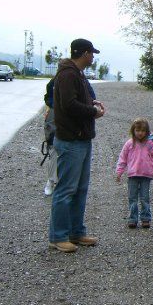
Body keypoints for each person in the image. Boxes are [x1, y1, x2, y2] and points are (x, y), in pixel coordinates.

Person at [48, 38, 106, 253]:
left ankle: (76, 232)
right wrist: (93, 112)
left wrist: (92, 103)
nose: (93, 57)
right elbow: (69, 105)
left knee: (80, 189)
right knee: (66, 190)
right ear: (84, 54)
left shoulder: (77, 74)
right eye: (91, 53)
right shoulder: (67, 74)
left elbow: (77, 100)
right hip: (71, 140)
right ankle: (58, 236)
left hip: (81, 139)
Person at [115, 118, 153, 229]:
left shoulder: (149, 144)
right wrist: (119, 171)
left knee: (144, 197)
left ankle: (145, 218)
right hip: (133, 174)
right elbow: (123, 158)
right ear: (133, 131)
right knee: (132, 197)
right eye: (137, 130)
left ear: (147, 132)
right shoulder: (129, 143)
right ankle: (133, 218)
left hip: (146, 175)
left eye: (142, 131)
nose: (140, 133)